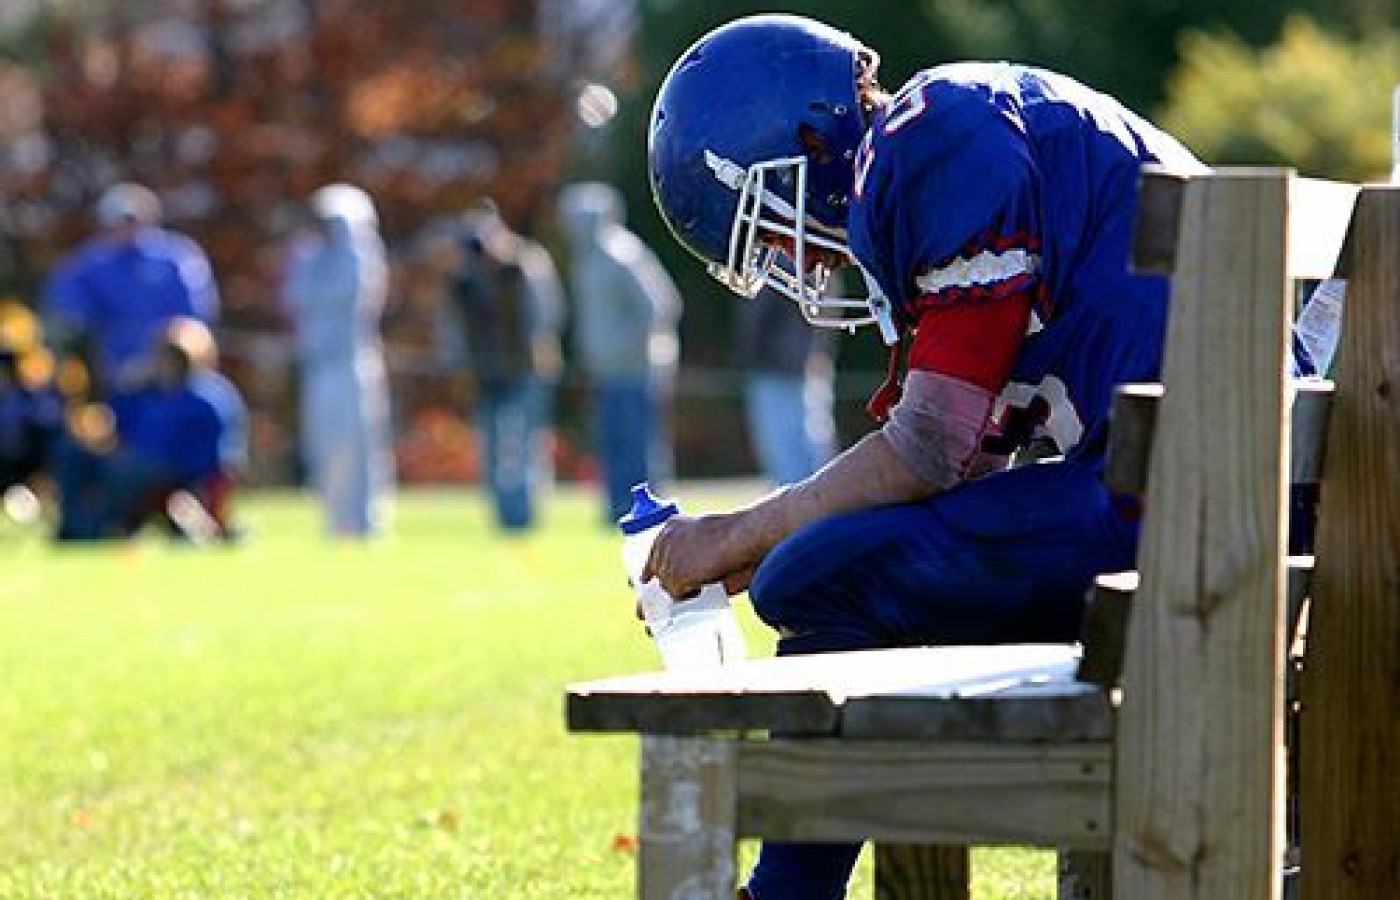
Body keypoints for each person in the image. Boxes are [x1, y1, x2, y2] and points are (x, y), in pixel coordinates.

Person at [644, 14, 1209, 900]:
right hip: (1199, 485)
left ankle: (787, 893)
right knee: (829, 569)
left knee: (815, 578)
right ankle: (786, 893)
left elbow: (931, 447)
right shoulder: (957, 128)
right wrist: (747, 548)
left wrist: (740, 537)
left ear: (808, 135)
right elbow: (957, 468)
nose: (794, 258)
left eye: (770, 222)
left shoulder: (933, 136)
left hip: (1186, 504)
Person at [438, 201, 565, 532]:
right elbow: (453, 326)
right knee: (492, 448)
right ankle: (501, 518)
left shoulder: (526, 263)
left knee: (523, 445)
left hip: (527, 369)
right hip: (486, 374)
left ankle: (523, 517)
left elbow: (549, 314)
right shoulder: (466, 279)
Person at [558, 181, 681, 523]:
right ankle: (617, 509)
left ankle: (651, 514)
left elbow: (661, 306)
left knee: (638, 445)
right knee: (611, 444)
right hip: (605, 372)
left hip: (637, 369)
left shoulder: (622, 253)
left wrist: (622, 349)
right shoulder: (586, 260)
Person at [51, 319, 239, 542]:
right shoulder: (143, 390)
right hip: (127, 458)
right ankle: (71, 525)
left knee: (126, 471)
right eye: (163, 354)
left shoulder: (209, 397)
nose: (166, 362)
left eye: (174, 356)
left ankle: (96, 530)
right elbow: (112, 421)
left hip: (176, 472)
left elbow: (217, 457)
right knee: (71, 453)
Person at [281, 183, 394, 539]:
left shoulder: (360, 257)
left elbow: (346, 291)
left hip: (353, 364)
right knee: (325, 447)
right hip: (319, 367)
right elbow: (294, 297)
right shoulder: (309, 257)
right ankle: (336, 521)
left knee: (360, 447)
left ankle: (366, 521)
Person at [42, 182, 219, 400]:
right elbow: (65, 310)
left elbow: (196, 318)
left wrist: (157, 360)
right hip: (110, 374)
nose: (127, 228)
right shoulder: (89, 263)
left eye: (132, 220)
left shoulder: (177, 259)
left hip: (173, 373)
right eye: (119, 221)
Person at [736, 284, 837, 486]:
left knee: (790, 451)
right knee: (805, 445)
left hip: (783, 367)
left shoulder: (783, 265)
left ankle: (808, 505)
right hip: (795, 364)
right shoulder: (810, 266)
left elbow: (756, 319)